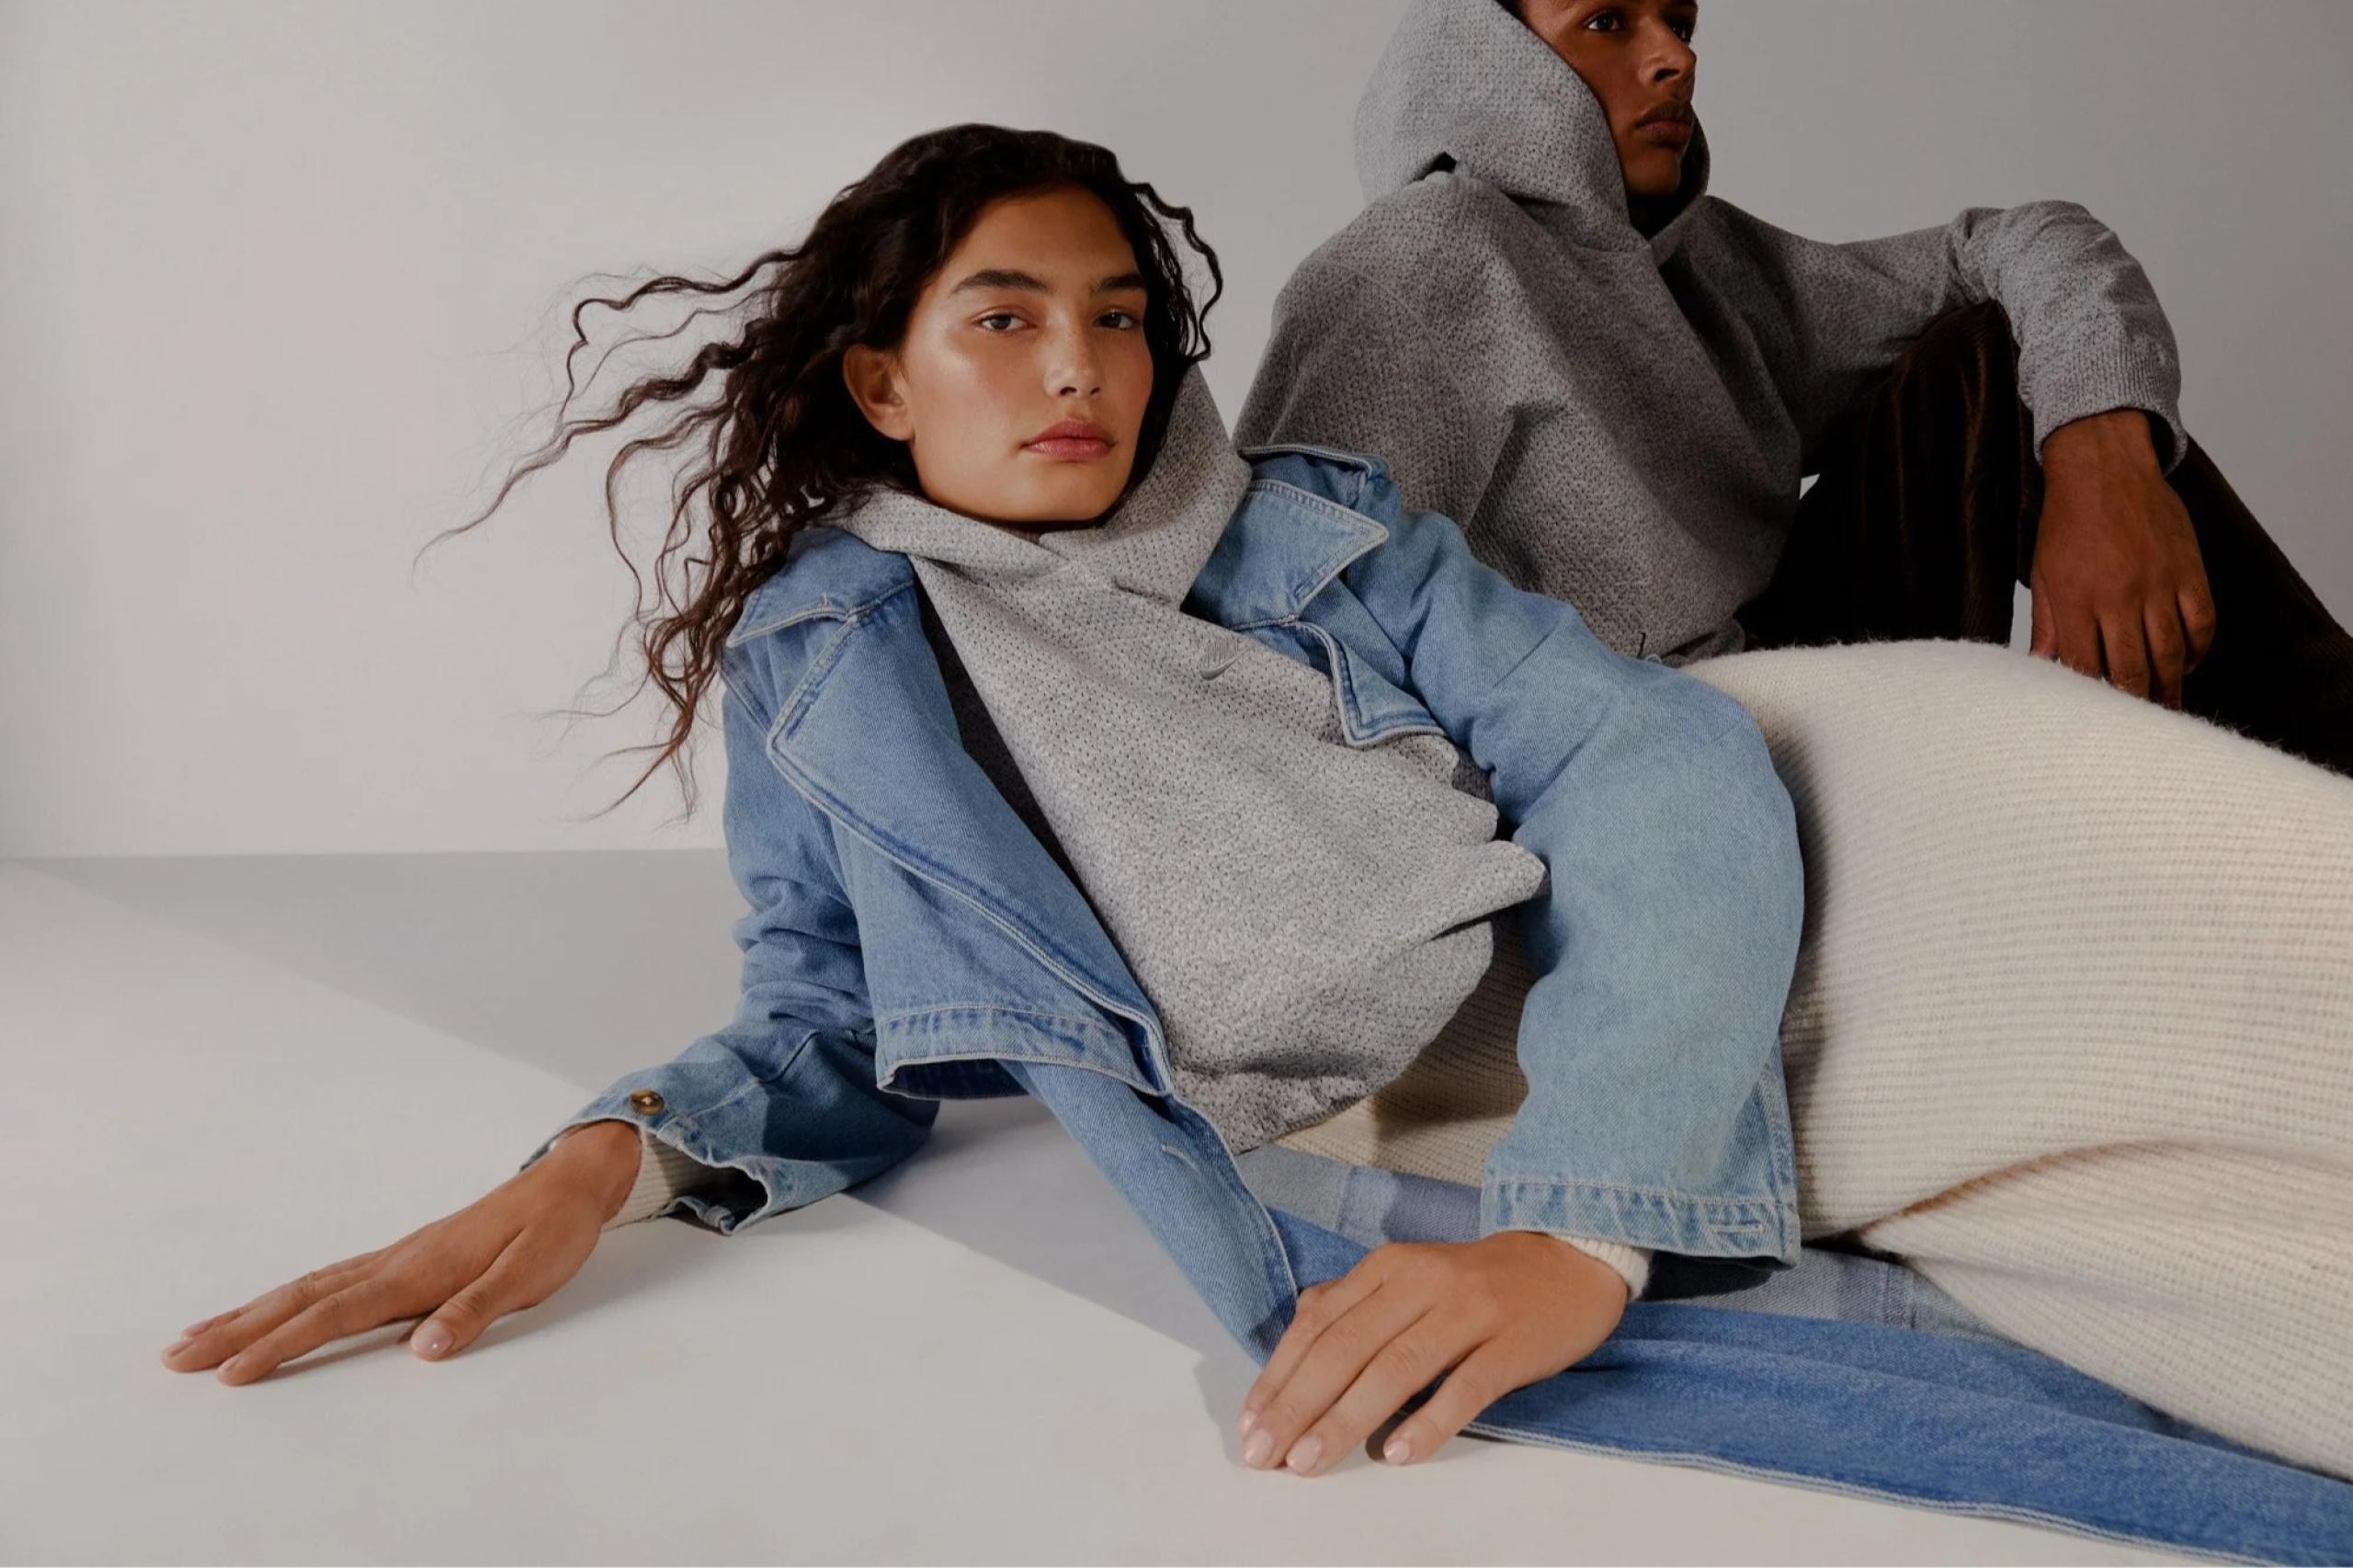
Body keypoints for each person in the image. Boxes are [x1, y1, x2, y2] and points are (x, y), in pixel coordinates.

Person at [156, 123, 1812, 1476]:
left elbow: (1653, 755)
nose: (1078, 368)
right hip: (1488, 1077)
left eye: (1117, 317)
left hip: (1676, 954)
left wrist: (1584, 1233)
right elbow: (835, 1011)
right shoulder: (834, 662)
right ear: (884, 385)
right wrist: (603, 1162)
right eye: (1005, 320)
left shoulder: (1336, 544)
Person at [1234, 0, 2353, 779]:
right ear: (1482, 58)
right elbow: (1286, 610)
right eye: (1607, 22)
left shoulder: (1705, 269)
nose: (1672, 58)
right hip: (1632, 759)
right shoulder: (1416, 262)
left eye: (1679, 20)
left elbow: (2018, 243)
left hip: (1788, 691)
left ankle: (2327, 767)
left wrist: (2101, 446)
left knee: (1988, 355)